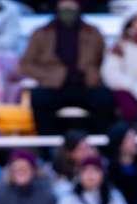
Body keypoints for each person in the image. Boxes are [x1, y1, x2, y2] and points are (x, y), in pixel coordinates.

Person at [18, 0, 115, 135]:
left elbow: (104, 61)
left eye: (72, 4)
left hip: (86, 84)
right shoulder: (41, 33)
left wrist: (94, 75)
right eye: (64, 4)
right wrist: (48, 76)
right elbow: (25, 65)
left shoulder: (93, 32)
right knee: (39, 98)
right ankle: (48, 148)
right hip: (53, 86)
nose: (68, 8)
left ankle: (99, 146)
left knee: (104, 98)